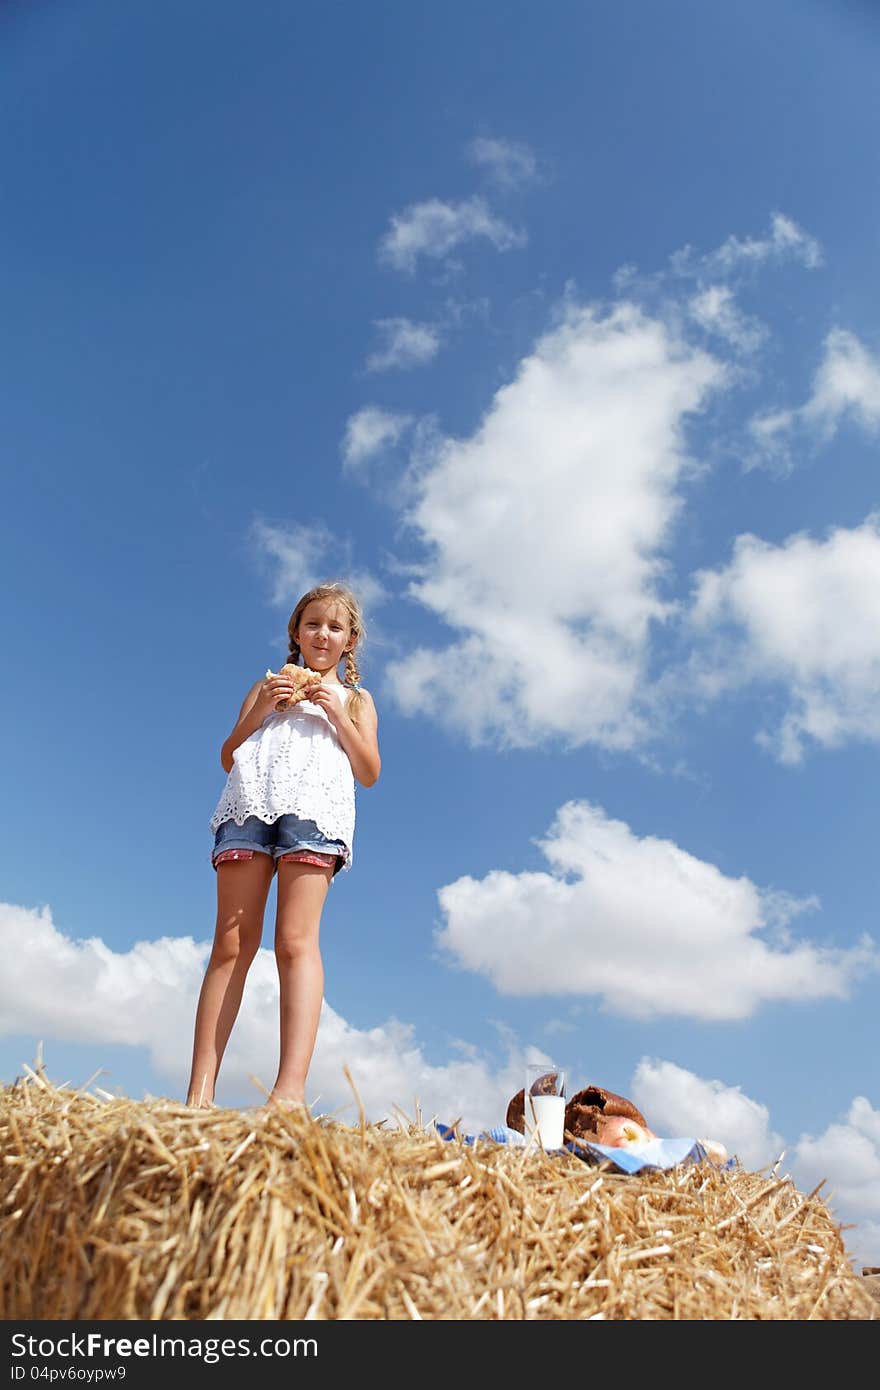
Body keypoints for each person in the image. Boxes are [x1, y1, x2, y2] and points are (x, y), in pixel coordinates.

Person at [185, 581, 380, 1109]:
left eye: (335, 627)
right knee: (230, 945)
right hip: (249, 805)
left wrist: (336, 714)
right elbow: (229, 754)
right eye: (312, 623)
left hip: (315, 815)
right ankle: (198, 1095)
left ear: (349, 641)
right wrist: (261, 711)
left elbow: (369, 772)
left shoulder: (357, 700)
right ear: (296, 632)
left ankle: (288, 1093)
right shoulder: (264, 686)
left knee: (295, 943)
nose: (323, 634)